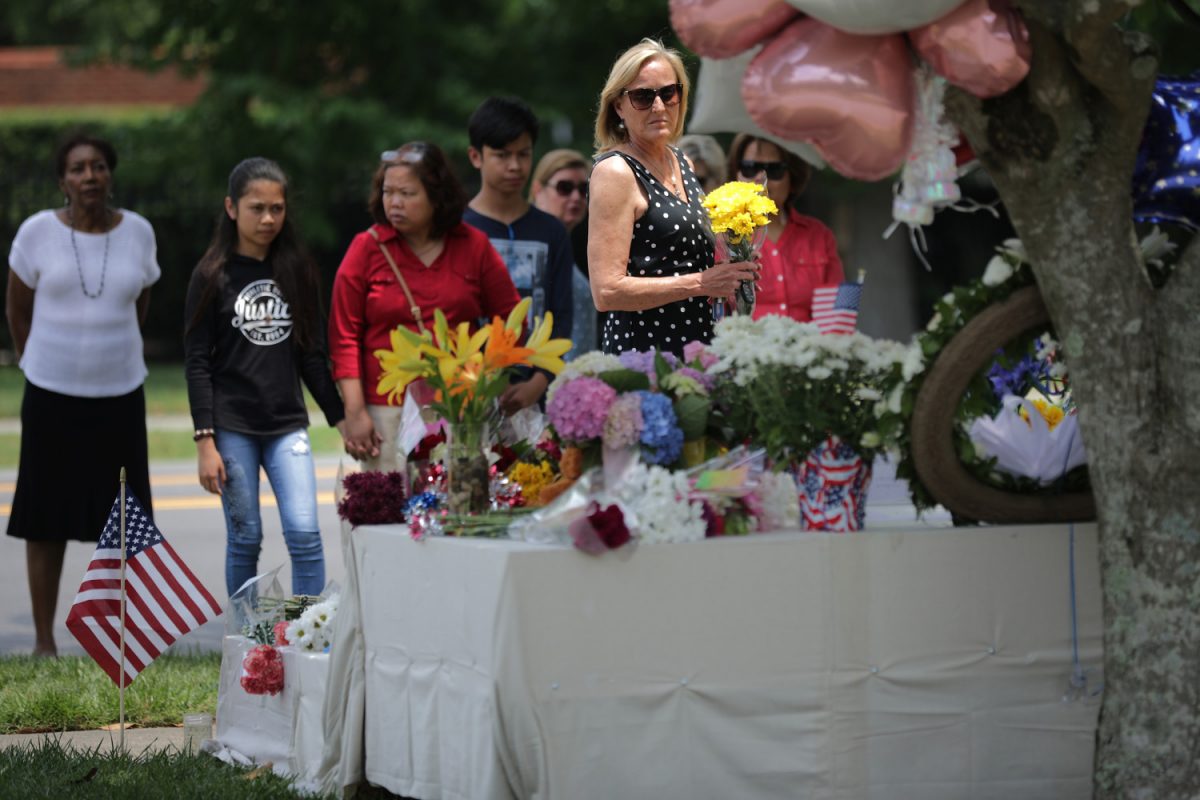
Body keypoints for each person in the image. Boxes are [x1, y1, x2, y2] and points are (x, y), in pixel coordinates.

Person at [5, 133, 160, 657]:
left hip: (120, 396)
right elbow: (17, 311)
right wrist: (38, 363)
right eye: (77, 168)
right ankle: (45, 642)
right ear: (62, 180)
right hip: (51, 397)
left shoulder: (138, 232)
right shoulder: (36, 233)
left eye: (98, 166)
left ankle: (118, 640)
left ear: (110, 174)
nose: (89, 176)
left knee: (124, 520)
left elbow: (140, 305)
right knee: (44, 517)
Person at [184, 157, 347, 598]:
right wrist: (205, 440)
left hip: (286, 425)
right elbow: (197, 361)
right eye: (257, 208)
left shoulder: (297, 271)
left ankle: (306, 636)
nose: (269, 218)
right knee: (245, 538)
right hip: (232, 426)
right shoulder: (211, 275)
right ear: (232, 208)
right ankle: (247, 641)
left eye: (277, 208)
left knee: (305, 535)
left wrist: (341, 419)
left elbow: (312, 355)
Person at [329, 142, 522, 471]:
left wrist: (483, 379)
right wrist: (356, 411)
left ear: (436, 195)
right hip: (386, 409)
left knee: (460, 506)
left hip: (461, 406)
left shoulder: (473, 245)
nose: (395, 203)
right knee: (392, 514)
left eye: (407, 193)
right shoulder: (366, 248)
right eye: (388, 192)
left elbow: (512, 320)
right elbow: (343, 336)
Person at [588, 39, 759, 358]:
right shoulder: (616, 172)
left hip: (701, 352)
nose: (659, 106)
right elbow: (607, 291)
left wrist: (735, 266)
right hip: (646, 359)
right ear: (618, 106)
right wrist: (703, 282)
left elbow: (685, 260)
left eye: (669, 92)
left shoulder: (683, 162)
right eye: (642, 96)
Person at [463, 97, 574, 409]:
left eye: (523, 154)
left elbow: (561, 314)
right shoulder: (457, 229)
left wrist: (539, 382)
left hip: (536, 394)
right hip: (469, 391)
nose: (514, 166)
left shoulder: (552, 231)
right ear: (476, 156)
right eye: (502, 155)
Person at [726, 134, 845, 322]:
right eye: (750, 168)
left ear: (793, 177)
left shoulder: (819, 235)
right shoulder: (721, 236)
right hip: (743, 348)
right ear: (736, 173)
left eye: (774, 170)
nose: (761, 179)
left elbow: (838, 312)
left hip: (809, 348)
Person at [530, 148, 596, 356]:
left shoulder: (566, 245)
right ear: (538, 191)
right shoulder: (533, 249)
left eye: (584, 189)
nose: (576, 197)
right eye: (564, 187)